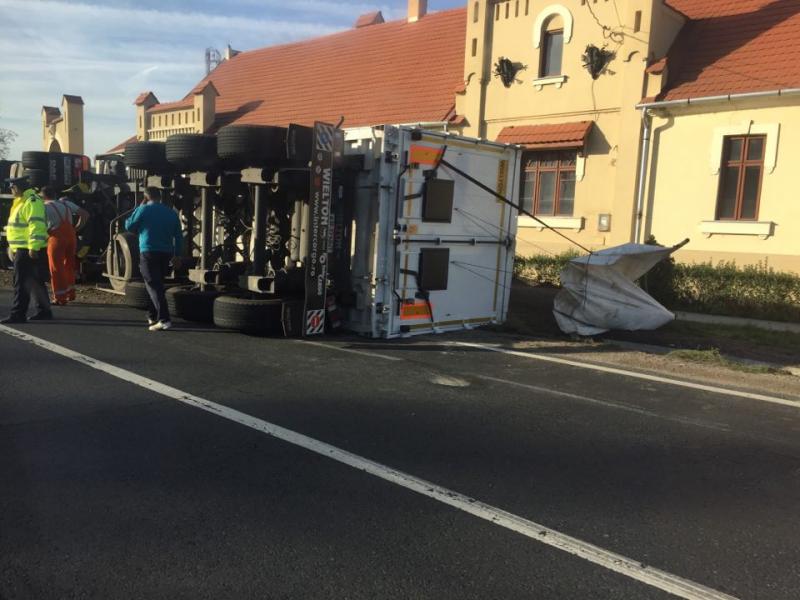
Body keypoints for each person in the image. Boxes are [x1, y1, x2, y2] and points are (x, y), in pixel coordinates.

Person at [125, 187, 182, 331]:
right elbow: (179, 236)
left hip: (148, 251)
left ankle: (164, 319)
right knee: (156, 283)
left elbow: (129, 226)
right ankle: (152, 315)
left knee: (153, 284)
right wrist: (177, 255)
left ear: (146, 197)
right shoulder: (171, 213)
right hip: (166, 253)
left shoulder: (143, 210)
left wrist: (138, 207)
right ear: (160, 197)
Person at [1, 178, 52, 324]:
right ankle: (44, 311)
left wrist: (33, 247)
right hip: (25, 248)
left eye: (12, 187)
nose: (11, 190)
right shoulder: (22, 201)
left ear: (18, 187)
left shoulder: (31, 201)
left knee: (21, 282)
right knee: (36, 281)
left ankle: (18, 314)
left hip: (28, 249)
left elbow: (36, 225)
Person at [42, 186, 89, 305]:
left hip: (56, 239)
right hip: (71, 238)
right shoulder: (66, 203)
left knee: (56, 268)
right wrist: (77, 228)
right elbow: (85, 214)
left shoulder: (45, 207)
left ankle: (60, 297)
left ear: (43, 196)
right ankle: (70, 294)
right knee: (69, 265)